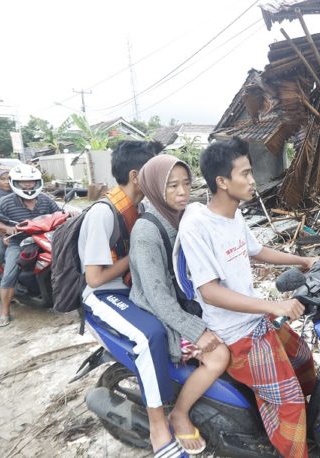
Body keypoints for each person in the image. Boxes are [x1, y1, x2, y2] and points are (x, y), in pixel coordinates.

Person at [179, 137, 318, 458]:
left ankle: (300, 426)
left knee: (303, 359)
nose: (253, 181)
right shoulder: (197, 226)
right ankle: (291, 449)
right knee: (291, 403)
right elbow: (210, 292)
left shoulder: (234, 214)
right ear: (222, 182)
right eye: (245, 174)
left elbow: (257, 250)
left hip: (255, 318)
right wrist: (274, 305)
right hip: (236, 333)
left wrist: (302, 260)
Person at [130, 154, 230, 457]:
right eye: (171, 186)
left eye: (186, 184)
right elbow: (158, 296)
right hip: (161, 311)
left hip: (187, 301)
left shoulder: (184, 215)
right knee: (219, 355)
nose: (182, 192)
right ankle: (180, 413)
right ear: (153, 188)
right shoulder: (146, 232)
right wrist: (196, 330)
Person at [0, 164, 60, 327]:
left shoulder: (45, 199)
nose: (28, 185)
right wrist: (7, 229)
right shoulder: (5, 202)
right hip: (18, 242)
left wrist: (70, 214)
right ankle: (5, 312)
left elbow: (58, 214)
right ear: (16, 183)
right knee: (10, 274)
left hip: (44, 238)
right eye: (24, 182)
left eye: (32, 182)